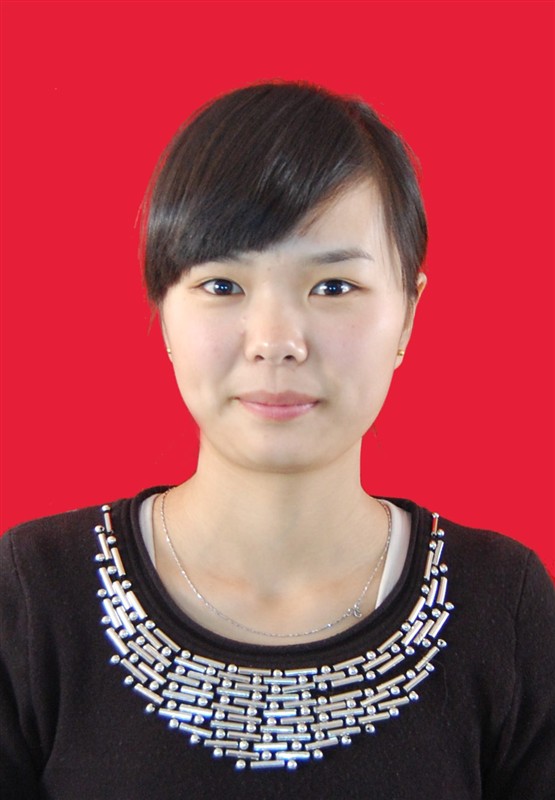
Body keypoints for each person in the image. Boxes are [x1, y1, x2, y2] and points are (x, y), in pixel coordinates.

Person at [1, 81, 554, 800]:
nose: (275, 342)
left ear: (409, 315)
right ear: (163, 309)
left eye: (333, 287)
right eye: (222, 285)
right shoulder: (38, 595)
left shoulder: (499, 605)